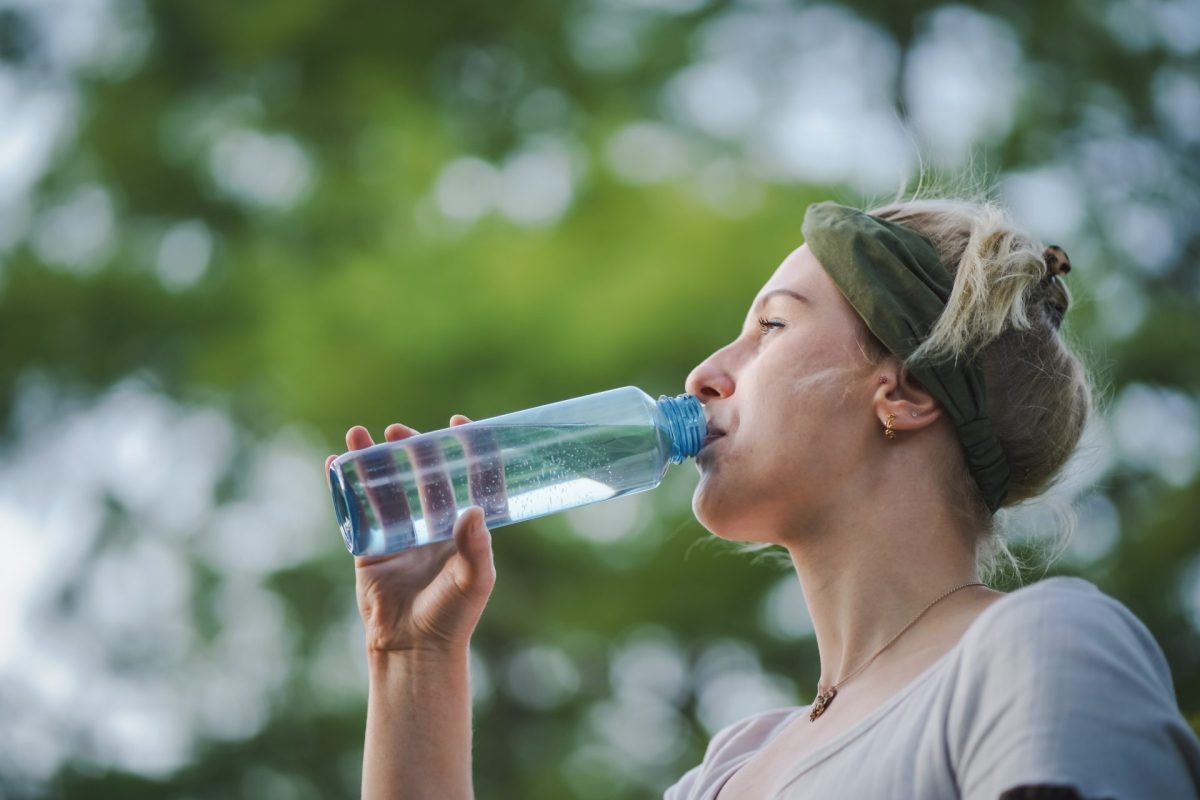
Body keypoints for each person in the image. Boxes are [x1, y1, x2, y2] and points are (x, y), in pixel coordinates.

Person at [327, 198, 1200, 799]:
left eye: (772, 326)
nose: (705, 374)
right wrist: (412, 660)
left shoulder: (1036, 651)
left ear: (904, 394)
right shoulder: (726, 772)